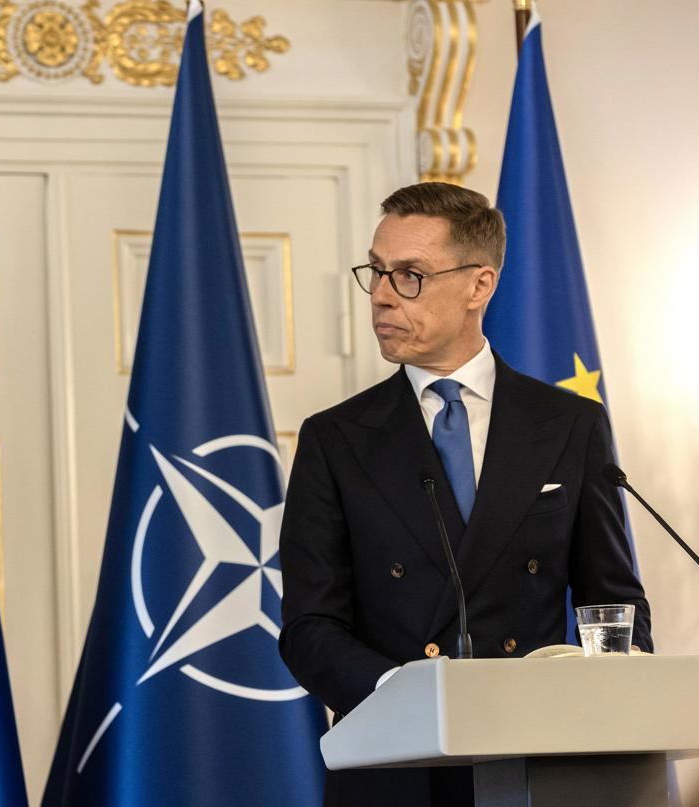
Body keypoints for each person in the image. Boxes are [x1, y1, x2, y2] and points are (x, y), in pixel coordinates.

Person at [278, 182, 650, 807]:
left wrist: (618, 693)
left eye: (410, 276)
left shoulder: (568, 425)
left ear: (480, 285)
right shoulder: (335, 439)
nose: (381, 295)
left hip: (542, 763)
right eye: (375, 271)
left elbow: (611, 603)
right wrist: (408, 693)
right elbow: (309, 627)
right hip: (395, 765)